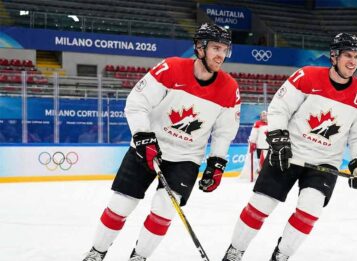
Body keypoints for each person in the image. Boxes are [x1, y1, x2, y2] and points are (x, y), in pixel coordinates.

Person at [82, 23, 240, 261]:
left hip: (186, 158)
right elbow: (137, 102)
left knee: (165, 208)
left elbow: (224, 132)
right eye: (216, 47)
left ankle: (139, 257)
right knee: (120, 205)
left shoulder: (230, 87)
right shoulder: (171, 68)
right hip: (148, 146)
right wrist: (143, 135)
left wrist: (216, 162)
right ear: (200, 47)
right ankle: (97, 252)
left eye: (225, 49)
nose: (221, 55)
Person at [221, 32, 357, 261]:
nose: (353, 61)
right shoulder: (308, 76)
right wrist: (279, 137)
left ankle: (281, 256)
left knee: (310, 210)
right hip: (289, 153)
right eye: (347, 55)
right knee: (260, 205)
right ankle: (235, 252)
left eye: (356, 56)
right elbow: (279, 108)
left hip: (324, 163)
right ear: (334, 56)